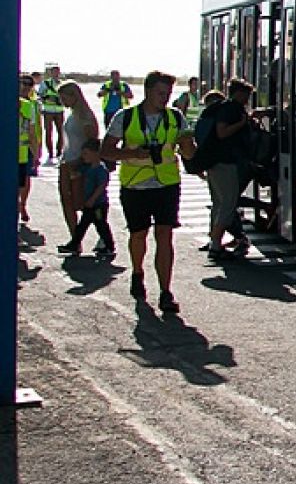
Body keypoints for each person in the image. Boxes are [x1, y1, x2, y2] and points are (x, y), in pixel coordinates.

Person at [101, 70, 195, 314]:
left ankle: (166, 292)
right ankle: (137, 272)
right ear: (148, 91)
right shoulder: (125, 117)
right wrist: (132, 153)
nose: (165, 98)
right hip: (135, 185)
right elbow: (106, 151)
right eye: (160, 93)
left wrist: (189, 146)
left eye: (168, 94)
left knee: (165, 235)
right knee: (138, 234)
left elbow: (189, 152)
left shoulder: (175, 117)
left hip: (166, 185)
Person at [197, 80, 254, 256]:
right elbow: (222, 132)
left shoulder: (220, 107)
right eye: (246, 95)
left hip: (213, 161)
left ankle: (214, 241)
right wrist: (242, 124)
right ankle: (215, 244)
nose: (247, 100)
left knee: (218, 203)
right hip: (225, 162)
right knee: (228, 204)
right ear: (238, 93)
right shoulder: (231, 109)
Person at [54, 81, 101, 241]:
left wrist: (81, 161)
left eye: (64, 97)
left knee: (82, 202)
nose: (62, 101)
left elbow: (92, 141)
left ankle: (102, 235)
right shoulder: (72, 114)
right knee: (66, 200)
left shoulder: (85, 116)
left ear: (74, 96)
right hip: (67, 161)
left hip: (80, 164)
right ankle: (74, 238)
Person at [64, 137, 115, 259]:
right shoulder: (87, 168)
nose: (83, 156)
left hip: (98, 204)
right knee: (83, 225)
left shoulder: (101, 170)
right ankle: (74, 244)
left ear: (96, 154)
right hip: (89, 203)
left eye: (86, 153)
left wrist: (93, 199)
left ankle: (109, 246)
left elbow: (101, 186)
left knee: (101, 225)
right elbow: (78, 174)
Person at [17, 73, 41, 223]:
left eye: (29, 84)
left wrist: (37, 151)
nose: (25, 86)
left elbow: (36, 129)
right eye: (22, 83)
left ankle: (22, 205)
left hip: (26, 149)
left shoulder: (32, 104)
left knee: (25, 180)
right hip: (18, 151)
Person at [35, 65, 64, 158]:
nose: (56, 74)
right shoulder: (45, 83)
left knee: (61, 132)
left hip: (59, 111)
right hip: (48, 111)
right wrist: (47, 99)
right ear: (51, 73)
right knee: (48, 132)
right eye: (54, 72)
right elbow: (38, 96)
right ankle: (50, 153)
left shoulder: (63, 84)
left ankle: (59, 151)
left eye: (57, 72)